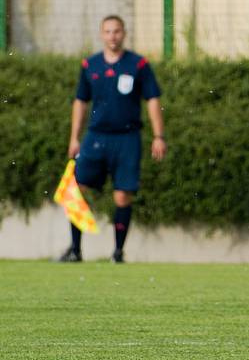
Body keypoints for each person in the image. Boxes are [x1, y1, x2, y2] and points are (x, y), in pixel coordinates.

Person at [56, 15, 166, 264]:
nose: (112, 36)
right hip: (96, 137)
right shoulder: (90, 65)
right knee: (75, 190)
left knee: (122, 196)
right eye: (108, 31)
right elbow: (80, 102)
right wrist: (74, 138)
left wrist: (159, 136)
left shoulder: (138, 65)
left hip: (127, 138)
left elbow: (153, 100)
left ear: (124, 34)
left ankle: (117, 253)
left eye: (117, 31)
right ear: (101, 34)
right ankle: (75, 249)